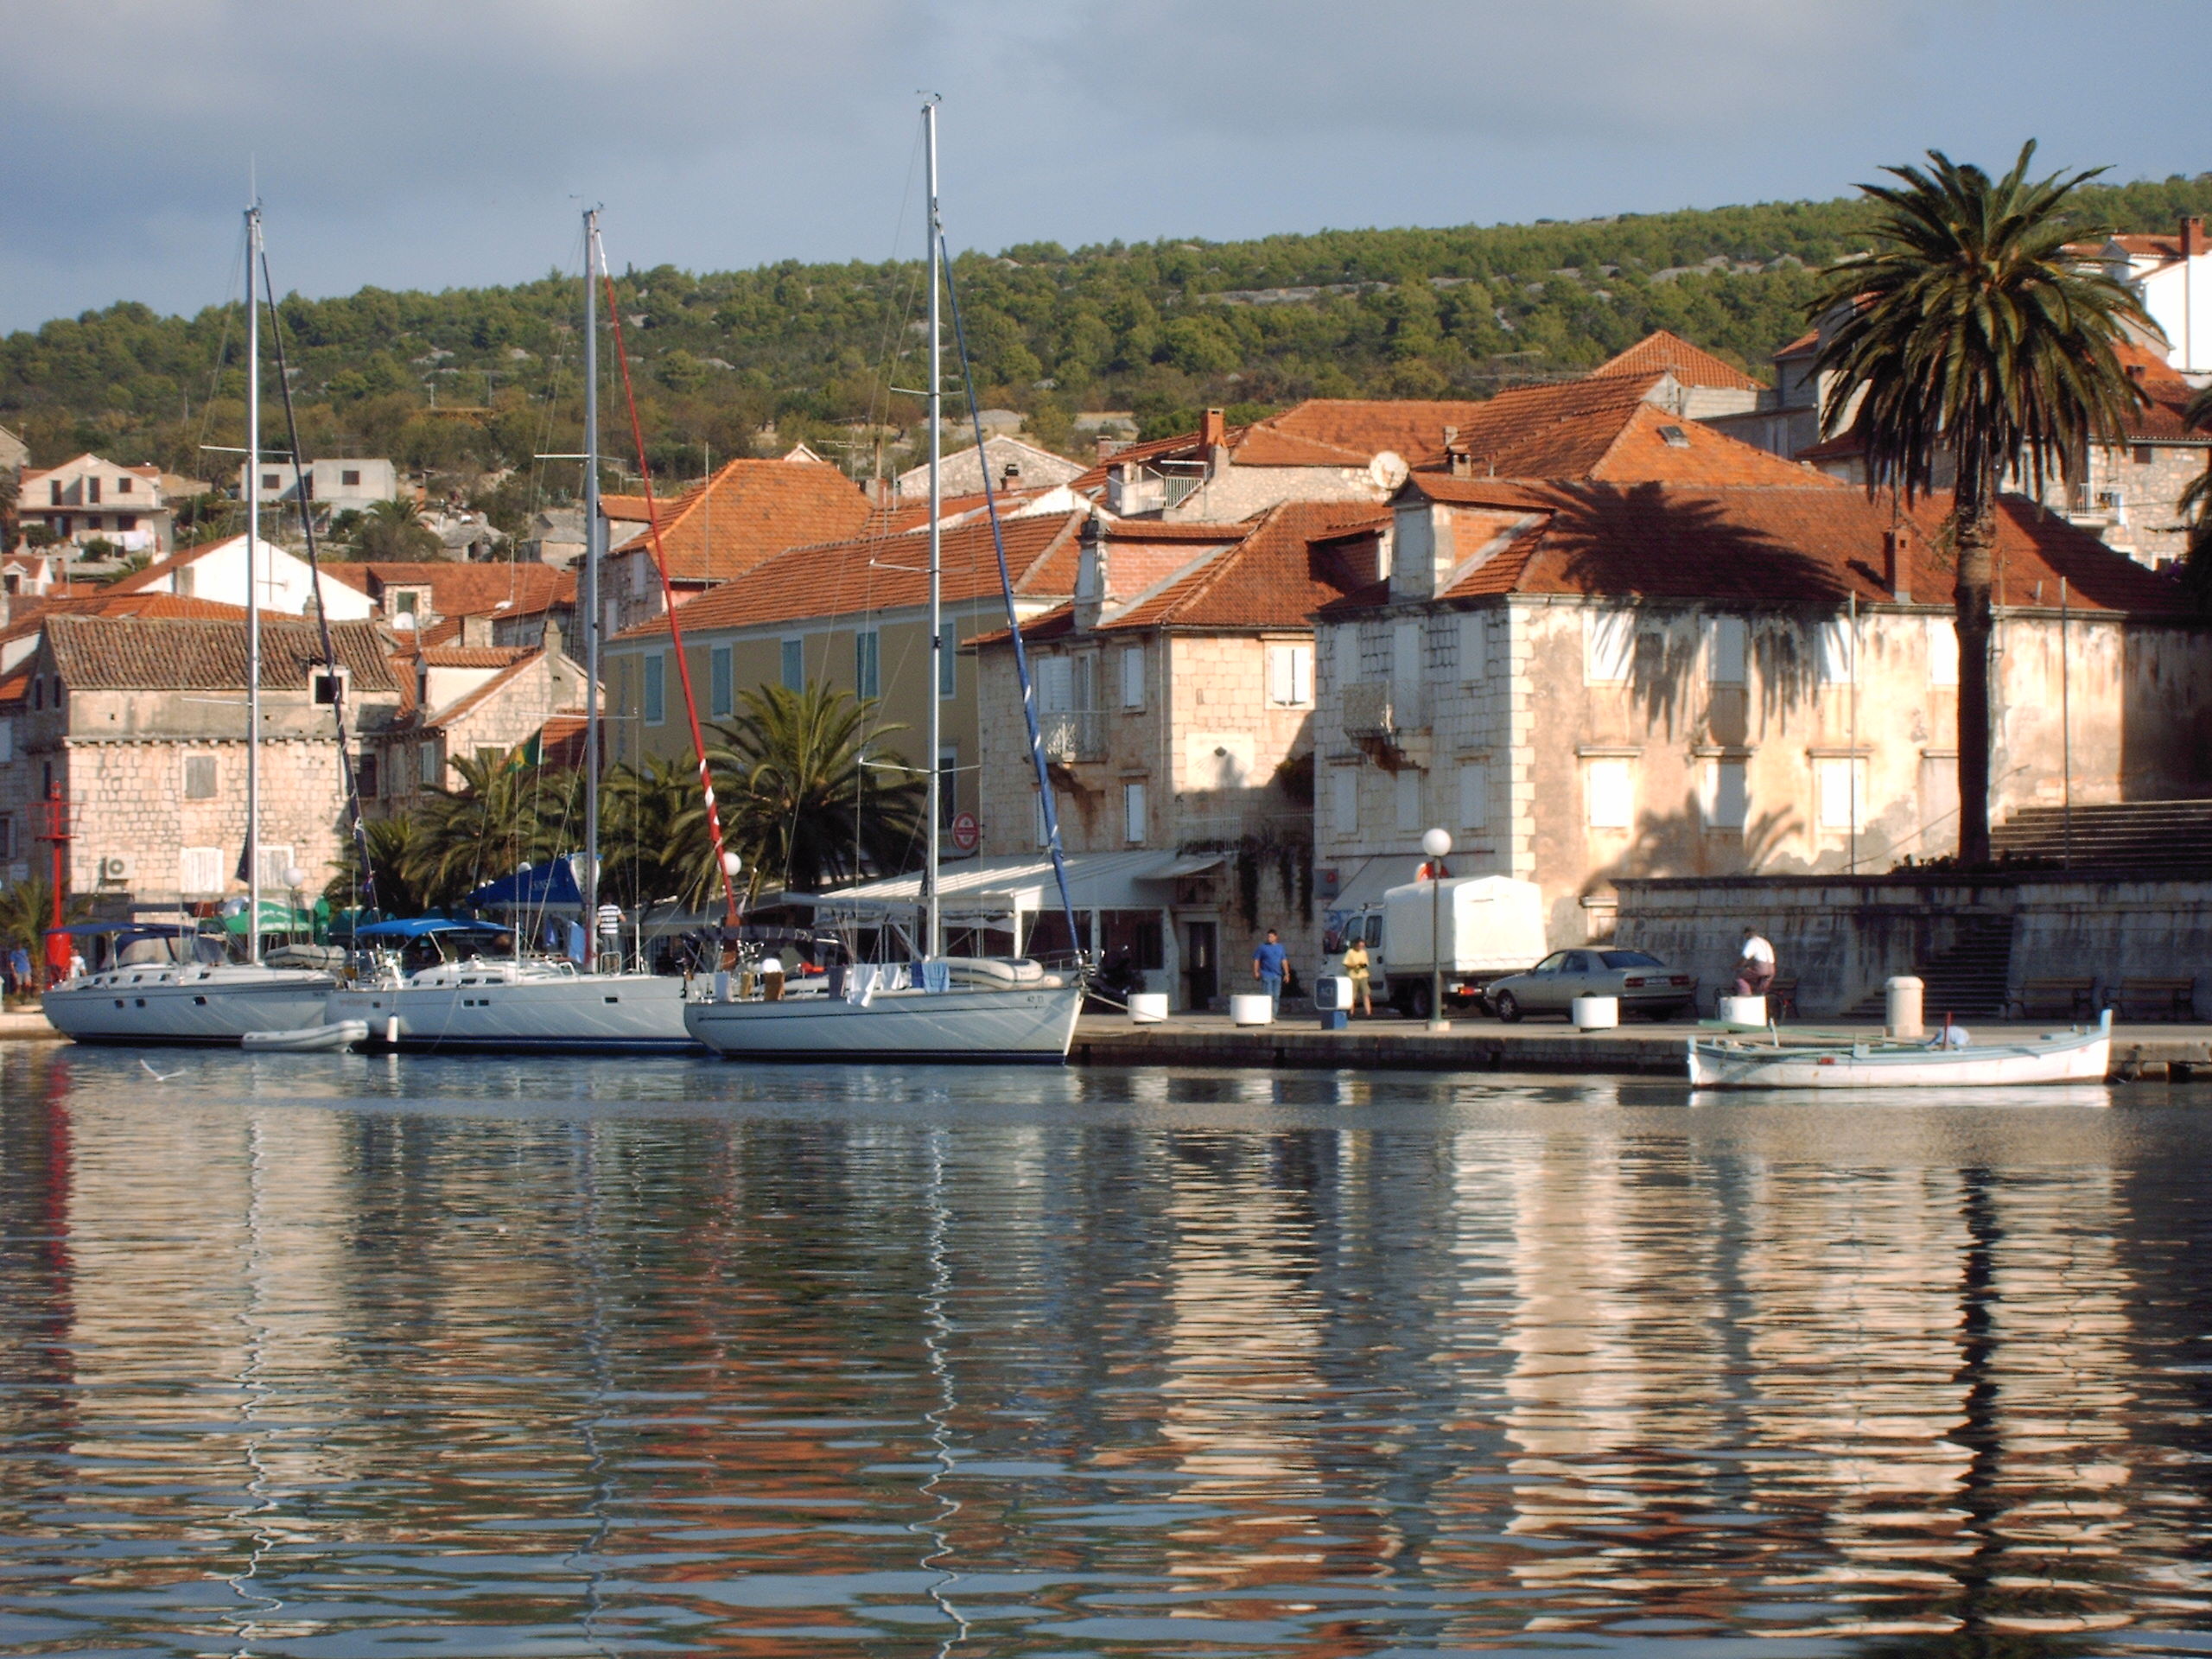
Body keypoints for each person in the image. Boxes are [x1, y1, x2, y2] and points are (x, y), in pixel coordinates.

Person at [1732, 925, 1776, 998]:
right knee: (1760, 992)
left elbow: (1744, 958)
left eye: (1745, 935)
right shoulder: (1765, 941)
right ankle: (1760, 999)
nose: (1745, 937)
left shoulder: (1752, 941)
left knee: (1739, 977)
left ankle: (1746, 997)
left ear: (1747, 933)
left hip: (1761, 968)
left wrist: (1736, 966)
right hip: (1771, 969)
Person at [1252, 928, 1288, 1013]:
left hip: (1277, 975)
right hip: (1266, 974)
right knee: (1268, 996)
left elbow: (1284, 960)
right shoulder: (1262, 947)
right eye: (1268, 936)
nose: (1269, 938)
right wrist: (1256, 972)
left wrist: (1287, 973)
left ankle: (1273, 1015)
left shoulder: (1280, 948)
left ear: (1276, 937)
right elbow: (1256, 960)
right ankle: (1267, 1014)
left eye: (1271, 937)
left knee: (1276, 996)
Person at [1341, 934, 1373, 1017]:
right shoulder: (1350, 952)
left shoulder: (1364, 953)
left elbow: (1366, 964)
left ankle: (1368, 1013)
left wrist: (1360, 966)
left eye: (1362, 945)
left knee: (1365, 994)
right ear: (1356, 945)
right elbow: (1346, 963)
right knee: (1352, 996)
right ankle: (1351, 1013)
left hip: (1363, 975)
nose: (1361, 947)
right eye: (1360, 945)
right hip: (1352, 976)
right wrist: (1354, 966)